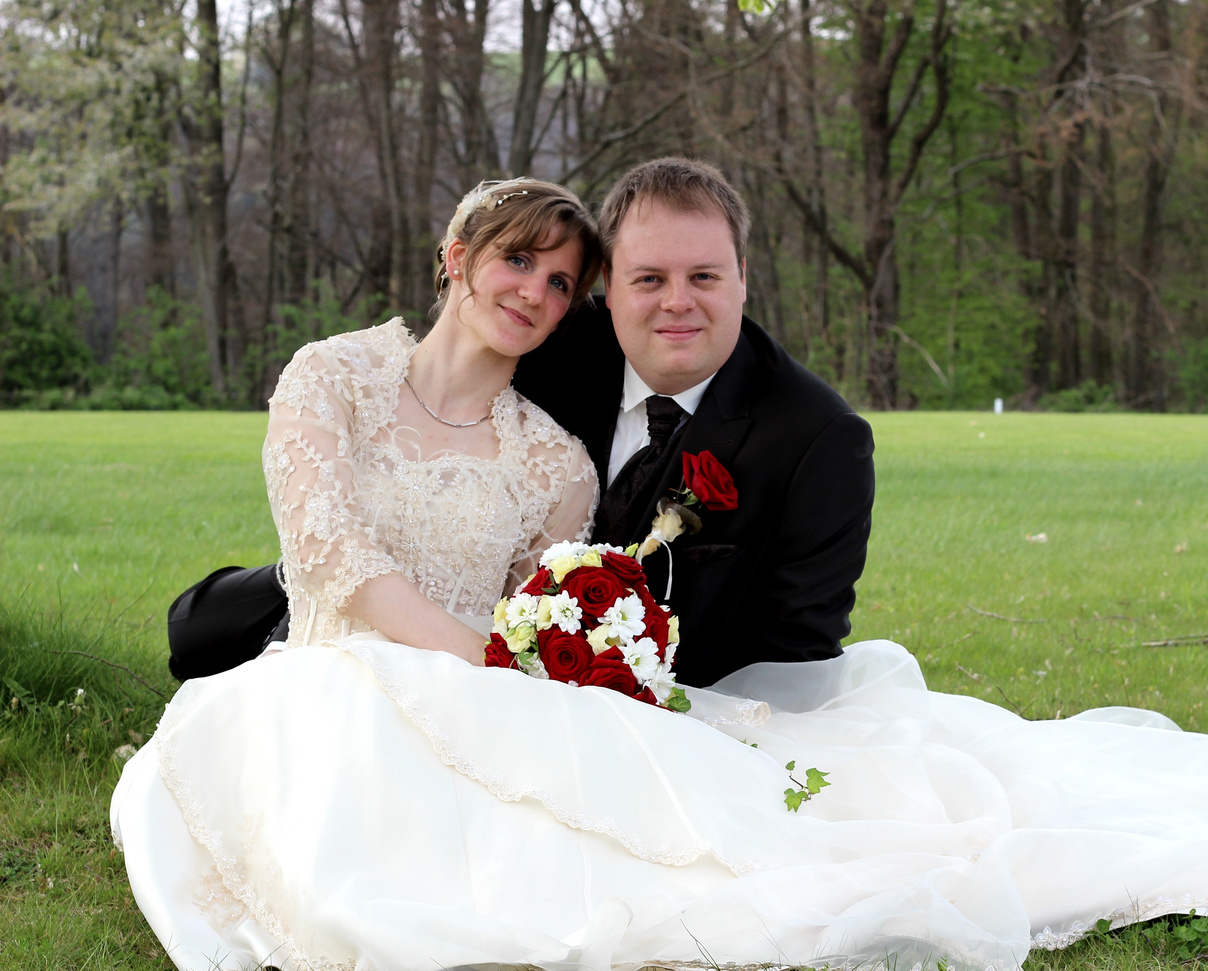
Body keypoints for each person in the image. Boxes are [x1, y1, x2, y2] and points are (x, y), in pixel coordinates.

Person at [112, 171, 1208, 971]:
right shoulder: (362, 375)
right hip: (365, 656)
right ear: (454, 261)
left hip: (574, 676)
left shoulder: (581, 452)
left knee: (656, 815)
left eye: (565, 277)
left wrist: (597, 667)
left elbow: (624, 598)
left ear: (744, 281)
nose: (548, 293)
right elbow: (336, 554)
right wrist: (497, 659)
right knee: (358, 755)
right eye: (592, 275)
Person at [163, 159, 874, 690]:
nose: (676, 304)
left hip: (630, 697)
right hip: (355, 648)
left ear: (743, 275)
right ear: (613, 290)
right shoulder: (544, 338)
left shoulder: (817, 441)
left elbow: (795, 661)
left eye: (706, 277)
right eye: (649, 279)